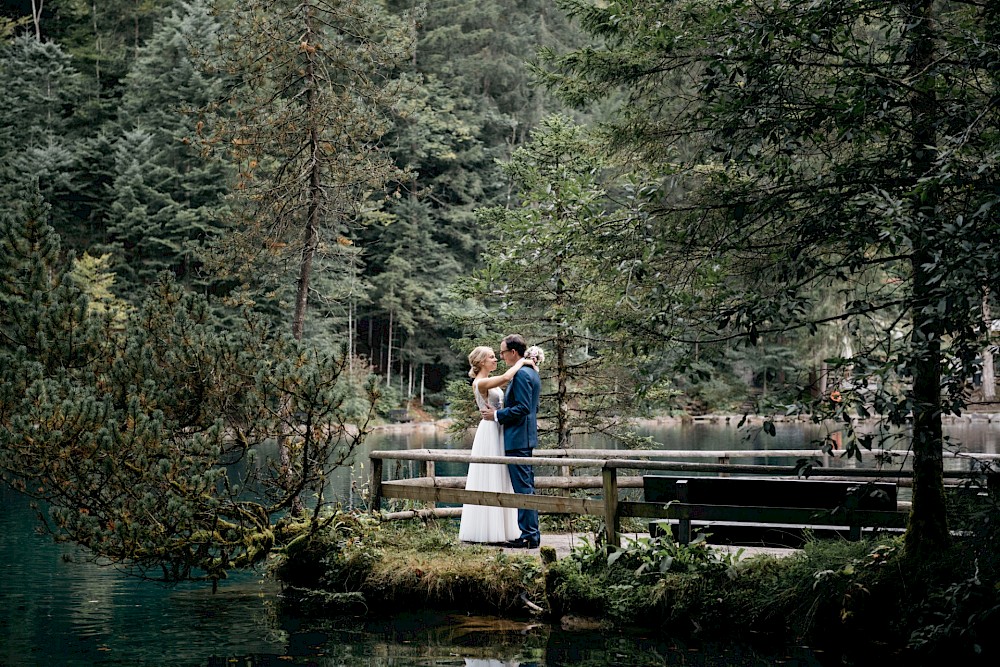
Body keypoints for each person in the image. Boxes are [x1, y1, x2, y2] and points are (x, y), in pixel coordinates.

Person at [459, 345, 536, 544]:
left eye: (496, 356)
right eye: (492, 357)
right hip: (490, 431)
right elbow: (505, 378)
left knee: (504, 477)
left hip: (499, 427)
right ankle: (488, 530)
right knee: (490, 475)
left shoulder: (488, 382)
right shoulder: (480, 382)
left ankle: (508, 529)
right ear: (481, 362)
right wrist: (522, 361)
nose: (496, 359)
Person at [480, 334, 542, 549]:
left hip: (518, 438)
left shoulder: (523, 374)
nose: (501, 356)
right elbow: (534, 407)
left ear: (513, 352)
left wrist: (497, 416)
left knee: (523, 488)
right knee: (526, 486)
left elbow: (524, 408)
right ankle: (530, 533)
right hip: (523, 436)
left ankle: (529, 536)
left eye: (503, 352)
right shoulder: (531, 372)